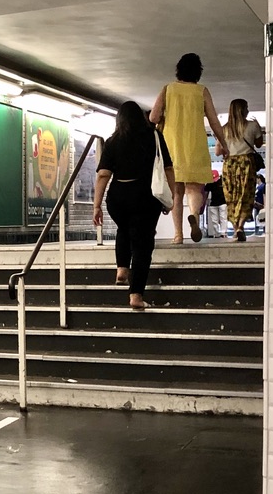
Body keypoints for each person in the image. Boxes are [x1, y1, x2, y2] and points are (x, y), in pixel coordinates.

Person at [92, 101, 173, 310]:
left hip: (118, 196)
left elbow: (103, 175)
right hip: (145, 196)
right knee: (143, 246)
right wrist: (169, 196)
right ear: (140, 117)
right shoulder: (154, 136)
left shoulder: (112, 141)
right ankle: (136, 295)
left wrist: (97, 205)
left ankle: (121, 268)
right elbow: (168, 168)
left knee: (125, 229)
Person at [149, 53, 231, 244]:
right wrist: (223, 144)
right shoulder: (202, 91)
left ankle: (178, 235)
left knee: (177, 192)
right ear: (198, 72)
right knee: (195, 189)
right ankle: (194, 214)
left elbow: (153, 117)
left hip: (172, 146)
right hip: (195, 145)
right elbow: (214, 121)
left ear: (179, 70)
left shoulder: (168, 89)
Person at [216, 99, 264, 242]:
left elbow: (218, 151)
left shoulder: (224, 129)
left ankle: (235, 227)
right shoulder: (252, 126)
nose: (248, 110)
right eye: (246, 108)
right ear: (243, 110)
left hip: (230, 163)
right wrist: (259, 128)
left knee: (231, 196)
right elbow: (259, 144)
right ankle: (240, 227)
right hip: (246, 163)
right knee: (246, 195)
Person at [205, 171, 227, 237]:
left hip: (223, 202)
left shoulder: (223, 181)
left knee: (223, 218)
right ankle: (216, 233)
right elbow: (206, 192)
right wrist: (205, 201)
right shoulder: (209, 183)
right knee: (214, 220)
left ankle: (223, 233)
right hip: (213, 203)